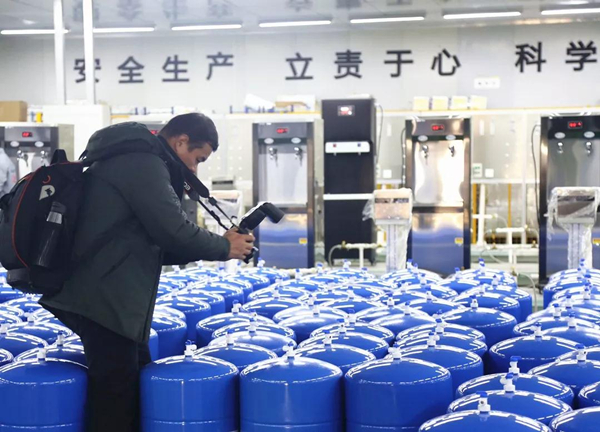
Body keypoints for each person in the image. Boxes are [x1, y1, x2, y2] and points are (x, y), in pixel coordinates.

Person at [40, 113, 254, 432]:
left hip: (110, 296)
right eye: (198, 159)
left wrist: (217, 245)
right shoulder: (142, 162)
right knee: (116, 398)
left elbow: (161, 245)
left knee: (129, 385)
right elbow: (173, 231)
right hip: (103, 298)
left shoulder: (138, 160)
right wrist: (224, 247)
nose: (195, 170)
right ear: (180, 141)